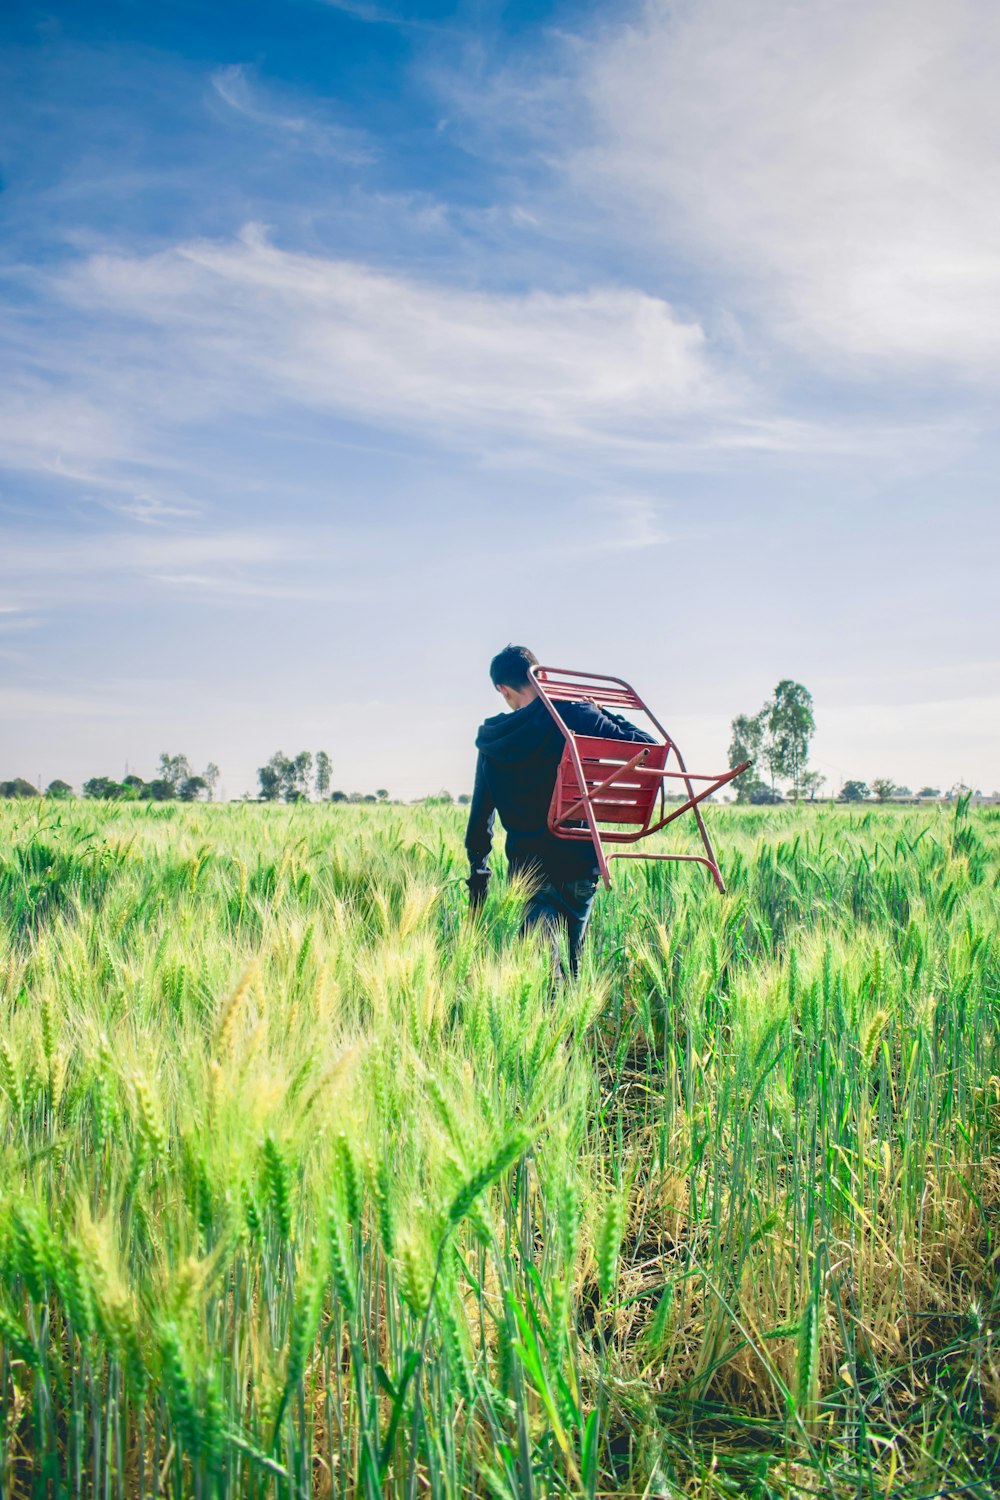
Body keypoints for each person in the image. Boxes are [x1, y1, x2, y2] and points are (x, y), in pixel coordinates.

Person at [465, 645, 655, 977]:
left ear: (503, 689)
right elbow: (647, 749)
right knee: (572, 970)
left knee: (541, 979)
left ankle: (553, 1024)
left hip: (529, 872)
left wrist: (478, 888)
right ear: (542, 678)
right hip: (579, 867)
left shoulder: (492, 740)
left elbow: (480, 824)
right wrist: (601, 712)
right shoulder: (577, 716)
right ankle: (569, 1027)